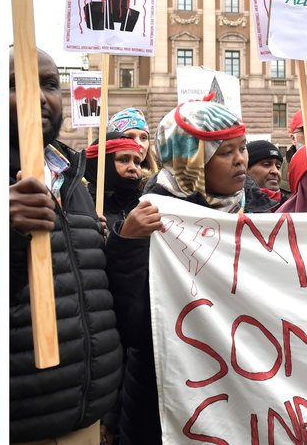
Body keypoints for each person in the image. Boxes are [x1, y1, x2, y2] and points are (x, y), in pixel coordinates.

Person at [106, 98, 264, 444]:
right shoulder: (150, 219)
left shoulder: (257, 213)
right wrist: (127, 243)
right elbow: (132, 325)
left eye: (242, 147)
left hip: (242, 392)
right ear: (190, 160)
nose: (241, 159)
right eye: (225, 152)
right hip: (165, 400)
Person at [9, 49, 122, 444]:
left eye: (50, 84)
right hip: (24, 421)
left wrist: (118, 242)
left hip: (88, 412)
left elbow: (91, 285)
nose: (40, 97)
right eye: (17, 84)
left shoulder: (72, 176)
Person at [84, 131, 146, 231]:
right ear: (103, 164)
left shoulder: (147, 204)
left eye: (137, 162)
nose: (133, 168)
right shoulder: (81, 207)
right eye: (124, 160)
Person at [108, 107, 160, 175]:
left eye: (144, 138)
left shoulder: (162, 179)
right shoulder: (100, 180)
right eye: (130, 137)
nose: (138, 143)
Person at [247, 139, 288, 204]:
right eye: (266, 164)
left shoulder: (291, 207)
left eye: (278, 167)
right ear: (246, 169)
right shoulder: (234, 206)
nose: (275, 171)